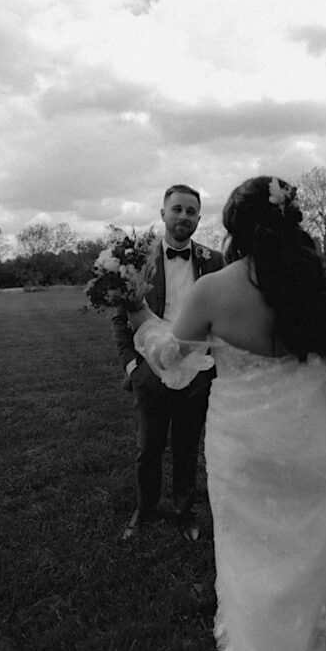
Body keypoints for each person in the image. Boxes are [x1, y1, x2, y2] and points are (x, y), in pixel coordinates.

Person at [126, 175, 326, 651]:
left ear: (234, 229)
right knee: (308, 537)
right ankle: (311, 617)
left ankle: (264, 637)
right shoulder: (310, 284)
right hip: (312, 437)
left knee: (248, 541)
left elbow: (170, 362)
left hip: (240, 443)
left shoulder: (211, 290)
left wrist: (138, 310)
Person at [113, 184, 224, 542]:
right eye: (177, 209)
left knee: (187, 445)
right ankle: (144, 510)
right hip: (150, 369)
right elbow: (120, 319)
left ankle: (183, 511)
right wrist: (132, 367)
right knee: (149, 447)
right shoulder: (137, 262)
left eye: (191, 211)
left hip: (197, 370)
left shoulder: (213, 262)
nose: (183, 217)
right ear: (163, 214)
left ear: (198, 219)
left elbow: (221, 317)